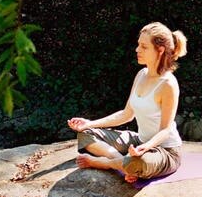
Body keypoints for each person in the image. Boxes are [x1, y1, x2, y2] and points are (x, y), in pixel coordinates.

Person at [68, 22, 187, 183]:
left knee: (139, 162)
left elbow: (165, 130)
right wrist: (89, 124)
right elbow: (126, 114)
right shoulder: (141, 75)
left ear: (160, 50)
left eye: (144, 47)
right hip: (139, 142)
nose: (137, 50)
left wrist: (147, 147)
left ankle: (107, 163)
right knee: (85, 134)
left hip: (164, 151)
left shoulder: (168, 84)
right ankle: (121, 162)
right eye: (138, 45)